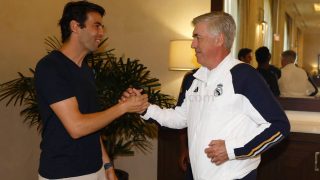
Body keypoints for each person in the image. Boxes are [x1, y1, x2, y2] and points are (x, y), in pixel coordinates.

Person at [125, 12, 290, 180]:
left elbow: (279, 126)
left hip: (234, 176)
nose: (192, 44)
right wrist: (144, 108)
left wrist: (232, 150)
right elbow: (179, 118)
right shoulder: (193, 78)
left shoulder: (244, 76)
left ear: (219, 39)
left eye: (198, 37)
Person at [34, 1, 148, 179]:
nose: (101, 33)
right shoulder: (50, 67)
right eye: (96, 26)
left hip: (96, 169)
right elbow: (77, 127)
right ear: (75, 26)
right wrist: (123, 107)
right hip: (64, 173)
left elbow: (92, 124)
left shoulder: (86, 70)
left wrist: (108, 166)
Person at [178, 69, 197, 180]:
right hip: (193, 154)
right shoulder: (191, 77)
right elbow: (181, 118)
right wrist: (183, 149)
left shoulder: (235, 75)